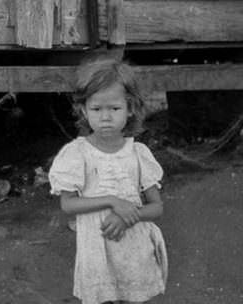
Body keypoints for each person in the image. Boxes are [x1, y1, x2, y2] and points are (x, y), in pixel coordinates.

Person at [48, 57, 167, 304]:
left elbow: (156, 207)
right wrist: (112, 201)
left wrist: (127, 216)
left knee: (133, 297)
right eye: (96, 109)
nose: (105, 117)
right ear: (83, 110)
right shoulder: (77, 154)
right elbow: (68, 205)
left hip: (133, 247)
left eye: (114, 109)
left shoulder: (138, 154)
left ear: (131, 108)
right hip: (97, 251)